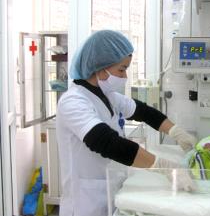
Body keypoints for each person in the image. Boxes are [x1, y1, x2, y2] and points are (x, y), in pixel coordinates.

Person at [56, 30, 197, 216]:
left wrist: (177, 132)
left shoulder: (109, 96)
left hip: (112, 190)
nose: (124, 76)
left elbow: (144, 112)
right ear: (100, 67)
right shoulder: (73, 101)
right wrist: (164, 166)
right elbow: (107, 143)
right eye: (121, 69)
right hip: (85, 200)